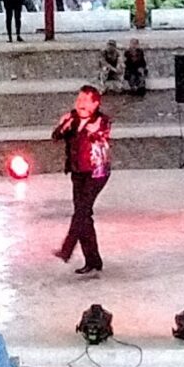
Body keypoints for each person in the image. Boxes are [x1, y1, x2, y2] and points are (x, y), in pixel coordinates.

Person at [51, 85, 113, 275]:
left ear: (95, 104)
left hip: (97, 172)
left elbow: (100, 135)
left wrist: (92, 130)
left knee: (82, 211)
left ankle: (67, 249)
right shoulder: (71, 118)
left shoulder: (102, 120)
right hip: (78, 171)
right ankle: (93, 260)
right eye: (79, 100)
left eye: (85, 101)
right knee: (84, 216)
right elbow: (55, 137)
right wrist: (63, 127)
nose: (81, 104)